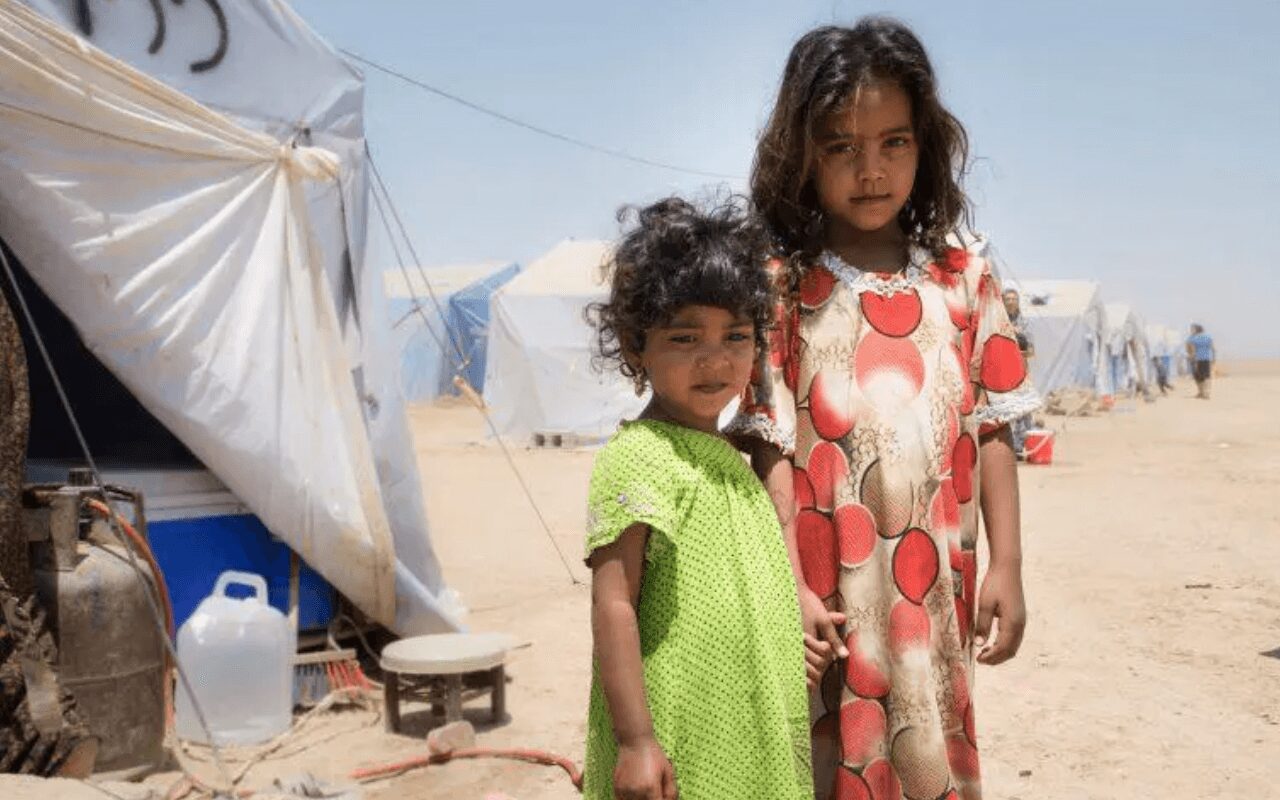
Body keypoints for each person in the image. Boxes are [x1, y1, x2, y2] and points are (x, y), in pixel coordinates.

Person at [731, 18, 1039, 800]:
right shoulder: (781, 287)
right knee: (831, 759)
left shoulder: (965, 281)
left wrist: (1007, 563)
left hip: (934, 590)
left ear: (924, 146)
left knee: (927, 739)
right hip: (828, 597)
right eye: (841, 147)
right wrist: (787, 588)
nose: (871, 170)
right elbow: (769, 446)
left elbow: (995, 426)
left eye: (893, 142)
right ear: (802, 156)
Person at [581, 197, 813, 800]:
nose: (715, 359)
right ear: (636, 346)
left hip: (744, 724)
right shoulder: (638, 459)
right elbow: (614, 607)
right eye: (685, 337)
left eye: (736, 336)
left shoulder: (734, 465)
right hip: (677, 736)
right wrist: (636, 741)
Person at [1002, 289, 1036, 457]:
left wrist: (1018, 336)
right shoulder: (997, 321)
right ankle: (1011, 447)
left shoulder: (1025, 323)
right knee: (1007, 408)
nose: (1010, 301)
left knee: (1025, 408)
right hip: (1003, 372)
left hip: (1021, 370)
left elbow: (1031, 351)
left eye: (1013, 298)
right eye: (1007, 299)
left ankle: (1026, 443)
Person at [1186, 323, 1215, 399]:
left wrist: (1191, 358)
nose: (1191, 331)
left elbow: (1192, 351)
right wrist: (1214, 358)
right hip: (1206, 359)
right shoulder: (1208, 337)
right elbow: (1213, 349)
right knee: (1207, 376)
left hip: (1197, 360)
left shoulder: (1193, 338)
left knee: (1198, 377)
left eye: (1192, 329)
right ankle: (1207, 393)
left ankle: (1201, 392)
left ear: (1196, 330)